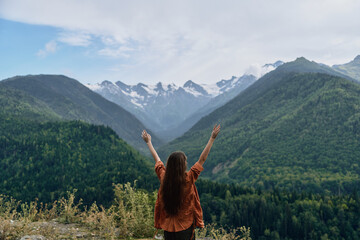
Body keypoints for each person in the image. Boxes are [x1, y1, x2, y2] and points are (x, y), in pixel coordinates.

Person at [141, 124, 221, 240]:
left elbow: (157, 160)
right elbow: (202, 159)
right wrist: (212, 138)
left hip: (168, 228)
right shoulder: (188, 179)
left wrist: (148, 142)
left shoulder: (164, 178)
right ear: (182, 166)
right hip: (185, 228)